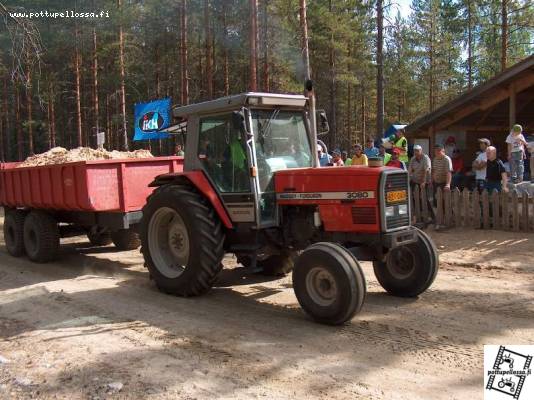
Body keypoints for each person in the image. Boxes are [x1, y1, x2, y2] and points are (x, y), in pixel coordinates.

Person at [408, 145, 433, 221]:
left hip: (424, 181)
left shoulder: (425, 158)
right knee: (415, 197)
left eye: (417, 150)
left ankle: (431, 215)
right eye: (415, 150)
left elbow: (426, 170)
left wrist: (424, 182)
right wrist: (408, 179)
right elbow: (410, 170)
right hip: (415, 180)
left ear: (421, 150)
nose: (416, 152)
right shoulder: (413, 159)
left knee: (425, 198)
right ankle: (419, 214)